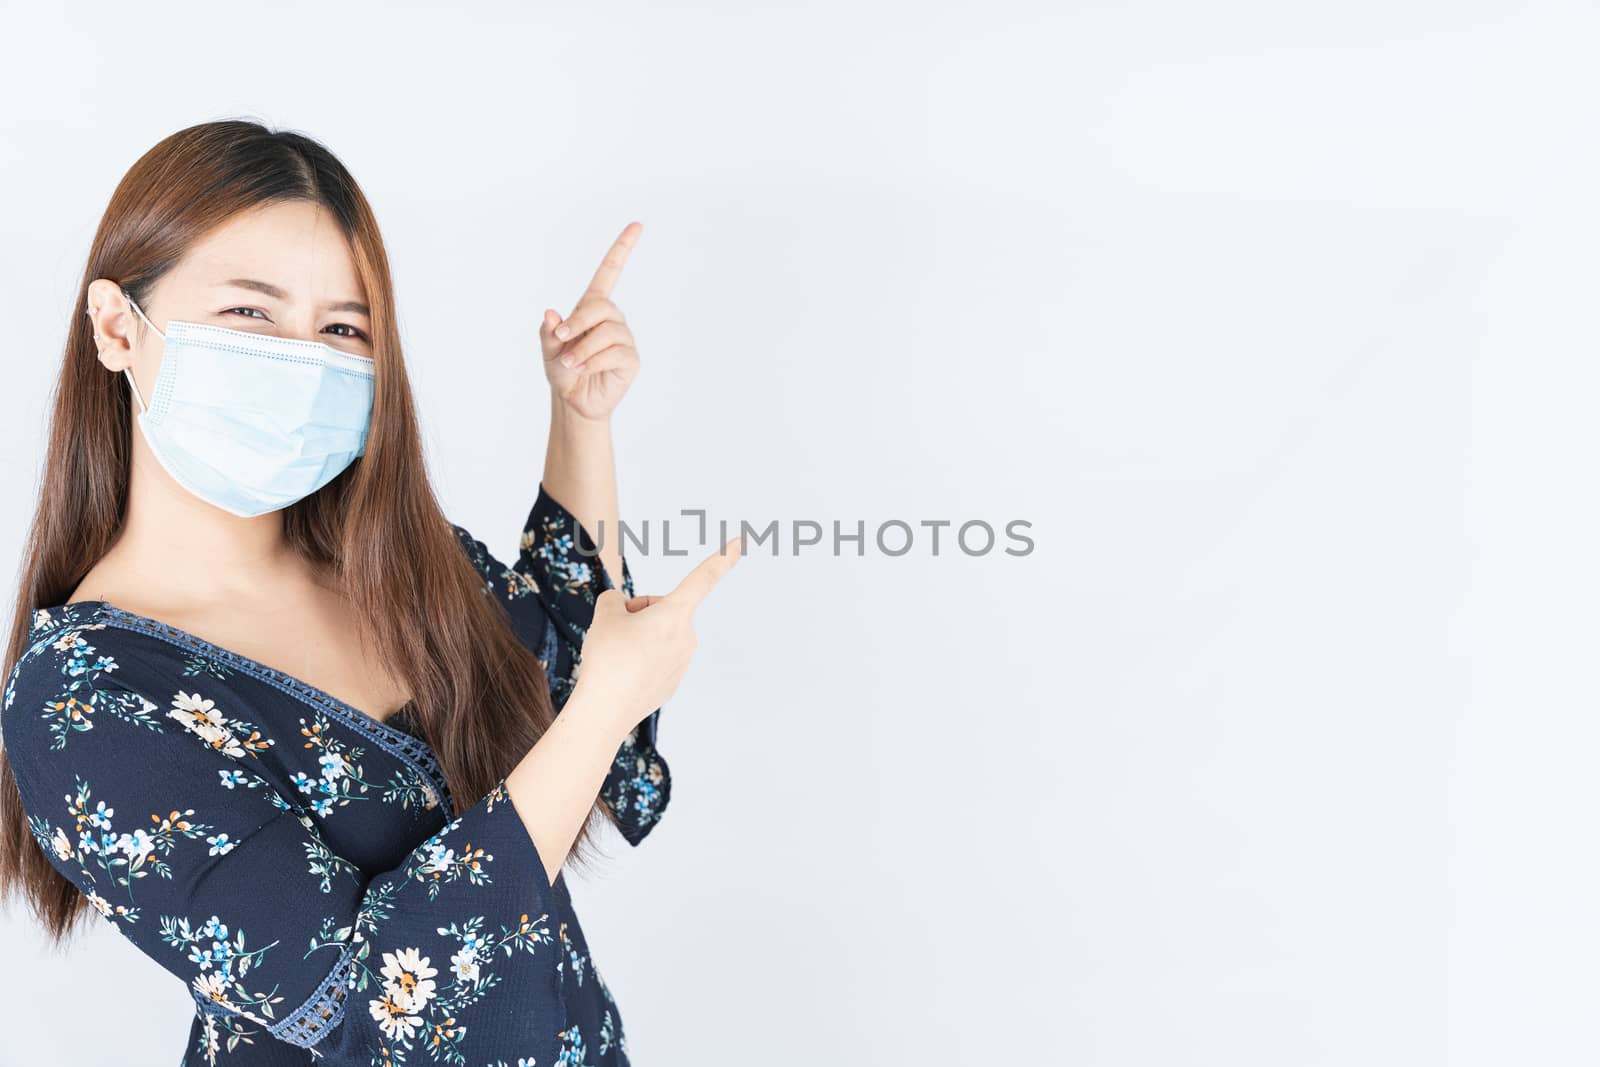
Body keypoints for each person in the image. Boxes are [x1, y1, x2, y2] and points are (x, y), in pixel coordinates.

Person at [0, 119, 739, 1066]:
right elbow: (365, 997)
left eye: (342, 327)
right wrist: (603, 709)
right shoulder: (84, 697)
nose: (304, 359)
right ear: (116, 326)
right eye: (251, 314)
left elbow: (567, 670)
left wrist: (581, 418)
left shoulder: (382, 558)